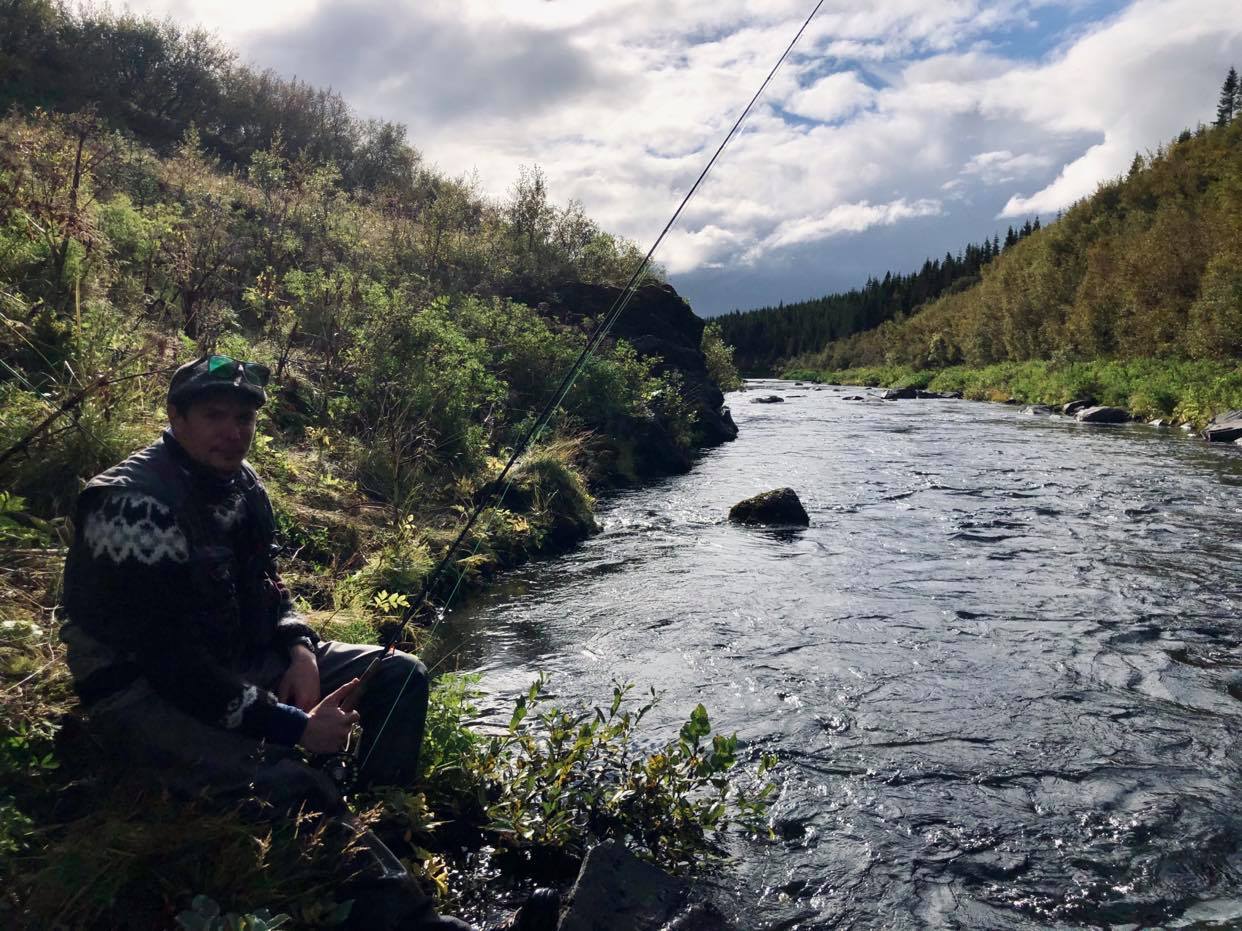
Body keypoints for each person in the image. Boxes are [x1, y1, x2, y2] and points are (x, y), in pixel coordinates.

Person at [60, 353, 473, 930]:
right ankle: (409, 919)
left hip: (239, 659)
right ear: (176, 418)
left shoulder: (241, 483)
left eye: (245, 419)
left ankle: (376, 821)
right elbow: (171, 666)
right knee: (293, 783)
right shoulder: (134, 504)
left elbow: (270, 586)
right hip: (142, 695)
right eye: (215, 416)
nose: (234, 434)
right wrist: (293, 726)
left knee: (400, 676)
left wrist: (299, 647)